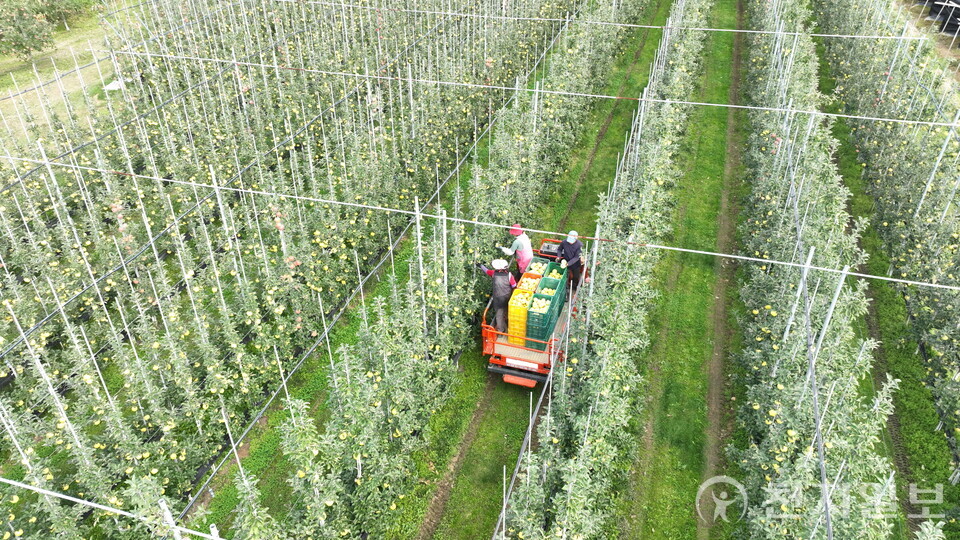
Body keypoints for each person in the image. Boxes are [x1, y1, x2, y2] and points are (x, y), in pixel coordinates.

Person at [480, 259, 516, 332]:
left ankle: (500, 330)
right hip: (507, 296)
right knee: (507, 309)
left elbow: (486, 271)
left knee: (499, 314)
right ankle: (508, 323)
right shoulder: (509, 275)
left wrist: (481, 266)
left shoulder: (493, 273)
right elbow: (514, 285)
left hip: (498, 297)